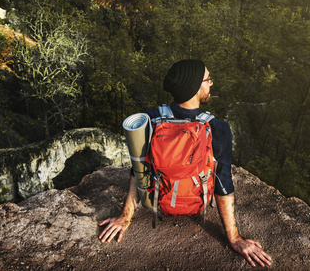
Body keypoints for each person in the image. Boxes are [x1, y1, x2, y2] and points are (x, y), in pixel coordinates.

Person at [99, 59, 272, 267]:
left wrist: (125, 216)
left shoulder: (150, 118)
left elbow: (138, 169)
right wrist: (234, 238)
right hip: (196, 205)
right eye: (208, 79)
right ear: (195, 87)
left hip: (158, 202)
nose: (211, 84)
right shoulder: (218, 128)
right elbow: (223, 182)